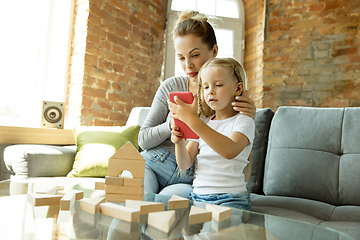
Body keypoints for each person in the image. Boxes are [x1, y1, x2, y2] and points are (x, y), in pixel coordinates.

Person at [138, 10, 256, 198]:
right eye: (181, 58)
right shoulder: (171, 86)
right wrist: (172, 125)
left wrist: (250, 114)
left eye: (194, 55)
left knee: (167, 205)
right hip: (154, 162)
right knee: (135, 203)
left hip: (190, 176)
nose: (188, 66)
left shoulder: (224, 94)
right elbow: (143, 140)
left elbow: (235, 140)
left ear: (214, 51)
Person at [169, 57, 255, 210]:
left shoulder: (244, 121)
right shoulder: (205, 122)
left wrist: (192, 120)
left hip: (231, 198)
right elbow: (185, 163)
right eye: (206, 87)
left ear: (238, 88)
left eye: (218, 85)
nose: (211, 92)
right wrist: (180, 142)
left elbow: (229, 150)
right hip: (198, 195)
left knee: (216, 233)